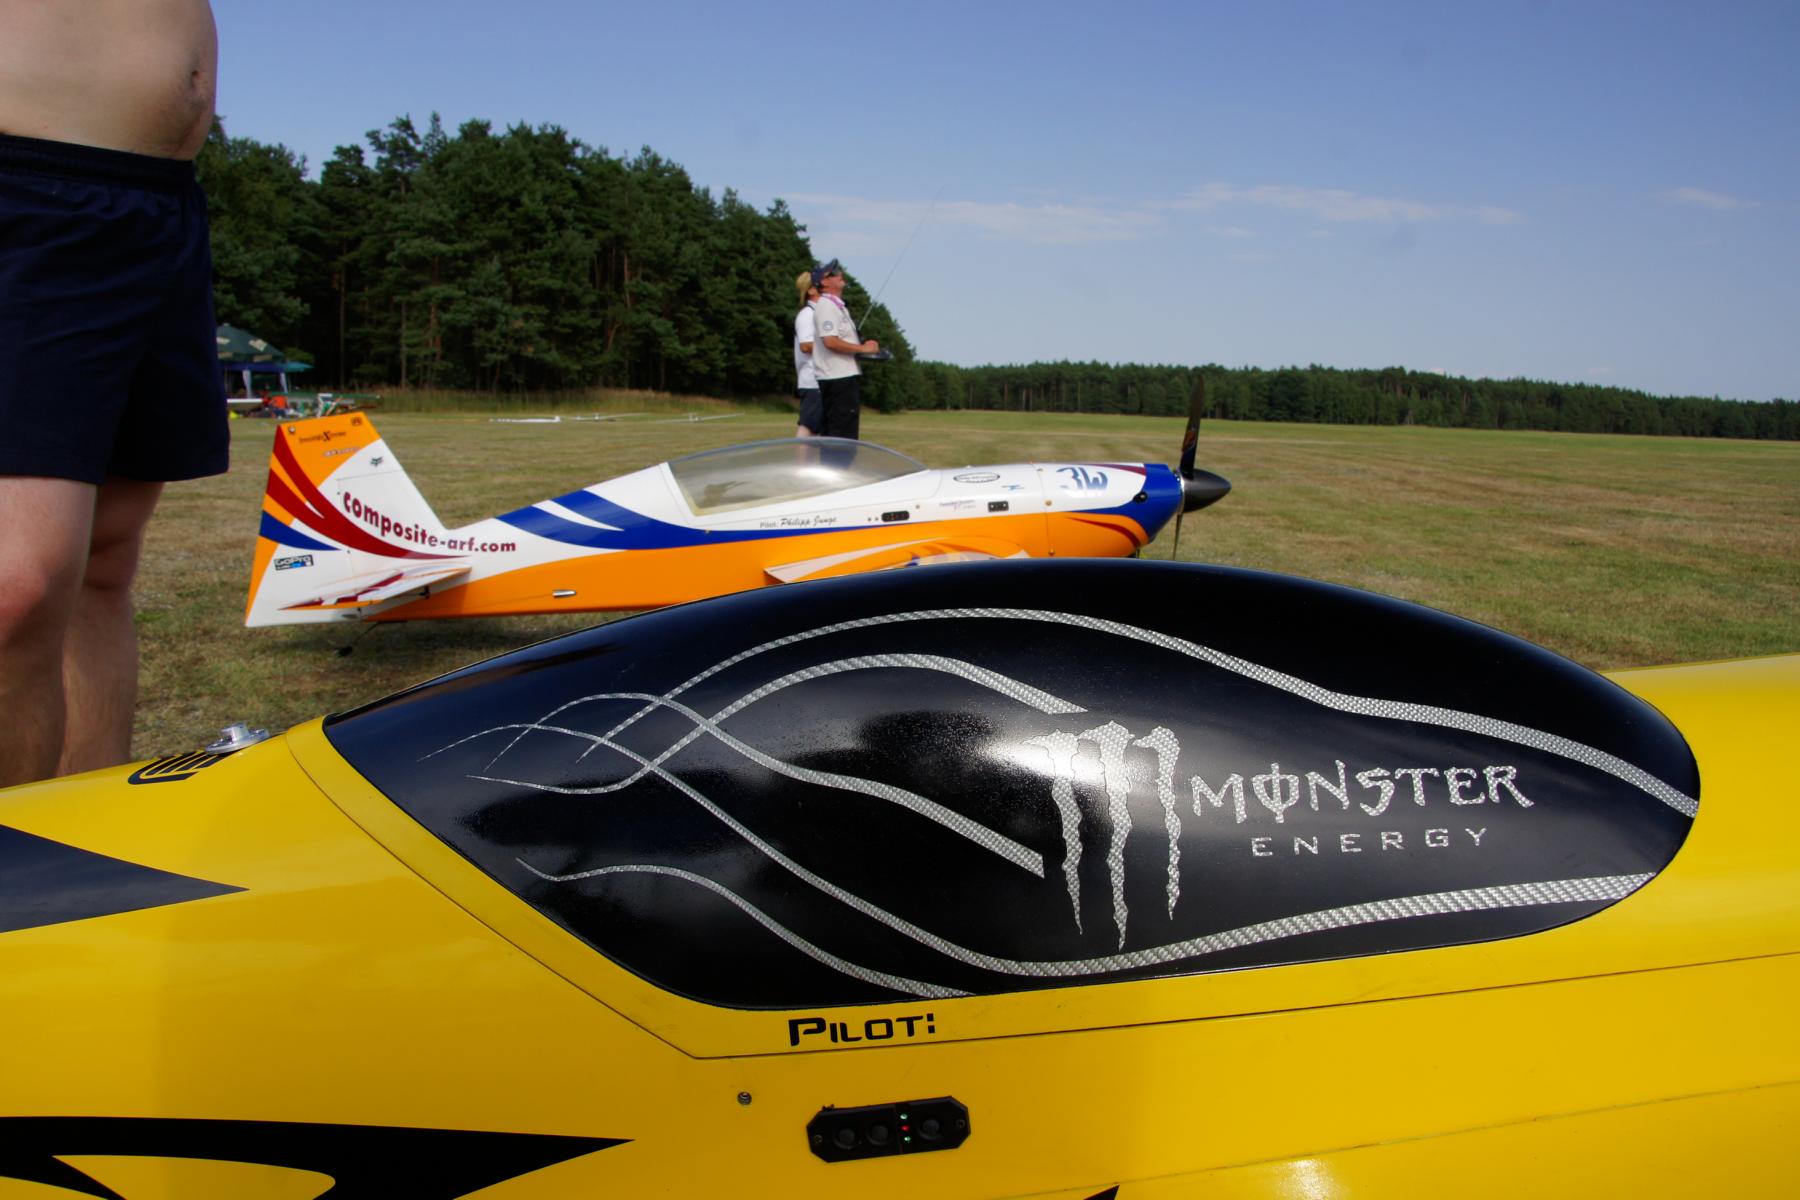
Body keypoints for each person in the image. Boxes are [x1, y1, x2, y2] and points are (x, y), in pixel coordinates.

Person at [0, 0, 229, 787]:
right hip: (26, 188)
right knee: (16, 590)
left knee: (103, 565)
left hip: (155, 203)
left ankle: (82, 852)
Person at [809, 259, 879, 440]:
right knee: (842, 438)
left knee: (840, 436)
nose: (840, 274)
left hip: (841, 378)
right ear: (824, 282)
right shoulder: (826, 306)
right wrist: (863, 348)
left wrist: (864, 346)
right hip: (838, 379)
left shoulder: (837, 306)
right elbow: (830, 341)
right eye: (834, 273)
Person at [792, 270, 821, 437]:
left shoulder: (820, 313)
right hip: (812, 381)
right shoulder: (807, 315)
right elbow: (805, 345)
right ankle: (800, 455)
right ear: (811, 290)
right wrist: (833, 346)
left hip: (820, 381)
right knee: (808, 426)